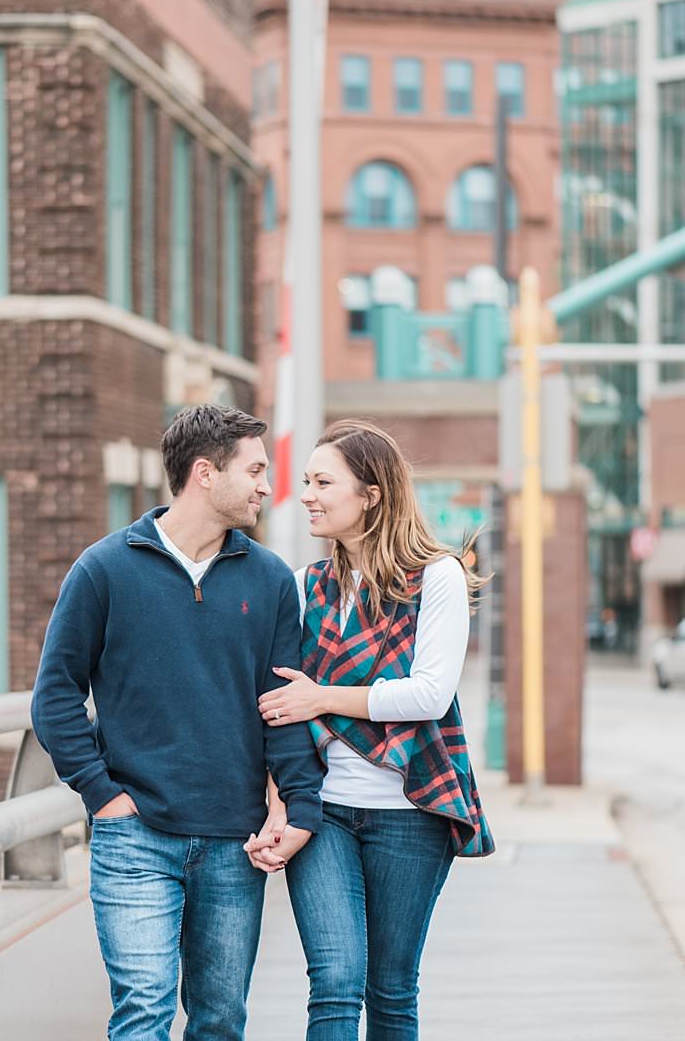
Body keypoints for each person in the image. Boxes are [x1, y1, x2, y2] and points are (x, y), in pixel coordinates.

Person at [30, 403, 325, 1041]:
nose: (264, 486)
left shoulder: (270, 580)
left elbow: (282, 705)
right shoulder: (105, 570)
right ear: (204, 473)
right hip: (135, 836)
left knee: (219, 1021)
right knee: (143, 1010)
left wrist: (299, 804)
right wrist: (100, 793)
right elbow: (55, 694)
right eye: (253, 469)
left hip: (233, 841)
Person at [244, 419, 494, 1041]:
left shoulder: (436, 577)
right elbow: (282, 710)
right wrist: (280, 800)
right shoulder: (307, 587)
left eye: (323, 481)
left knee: (391, 989)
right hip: (323, 810)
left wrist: (319, 698)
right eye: (305, 481)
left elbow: (430, 694)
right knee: (334, 981)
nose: (306, 494)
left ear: (372, 493)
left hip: (410, 811)